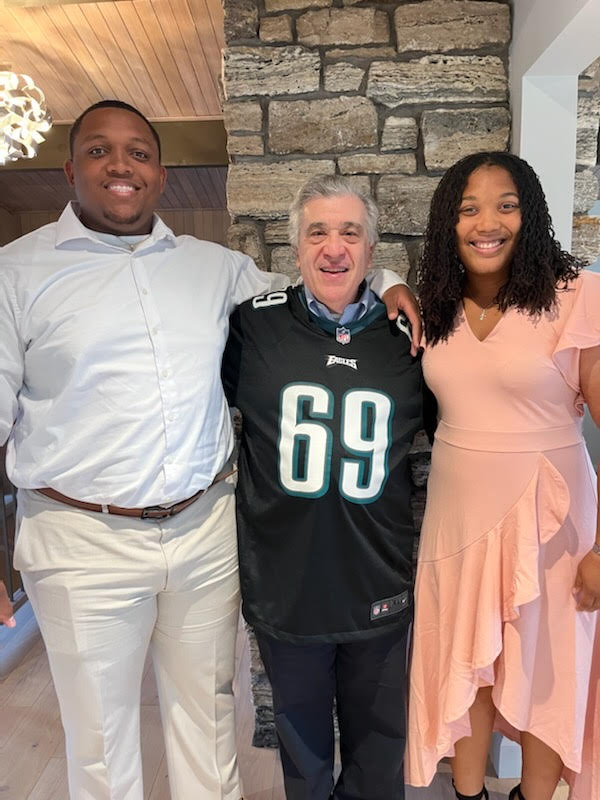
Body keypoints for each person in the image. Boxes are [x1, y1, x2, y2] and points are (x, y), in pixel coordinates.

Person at [0, 100, 418, 800]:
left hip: (202, 531)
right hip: (80, 537)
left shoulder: (216, 270)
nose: (121, 165)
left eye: (138, 151)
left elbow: (318, 290)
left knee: (209, 716)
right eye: (100, 151)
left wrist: (390, 282)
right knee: (100, 739)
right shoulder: (15, 273)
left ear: (161, 173)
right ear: (71, 169)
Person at [222, 175, 426, 800]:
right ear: (295, 246)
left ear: (371, 250)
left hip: (378, 580)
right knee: (302, 753)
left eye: (350, 233)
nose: (334, 248)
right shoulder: (251, 329)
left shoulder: (413, 339)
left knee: (379, 750)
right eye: (318, 232)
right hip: (288, 582)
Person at [407, 151, 600, 800]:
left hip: (551, 517)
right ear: (448, 224)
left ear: (532, 215)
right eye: (468, 208)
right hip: (457, 519)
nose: (487, 222)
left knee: (550, 666)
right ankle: (469, 796)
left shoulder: (576, 294)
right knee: (468, 667)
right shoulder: (434, 304)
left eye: (506, 204)